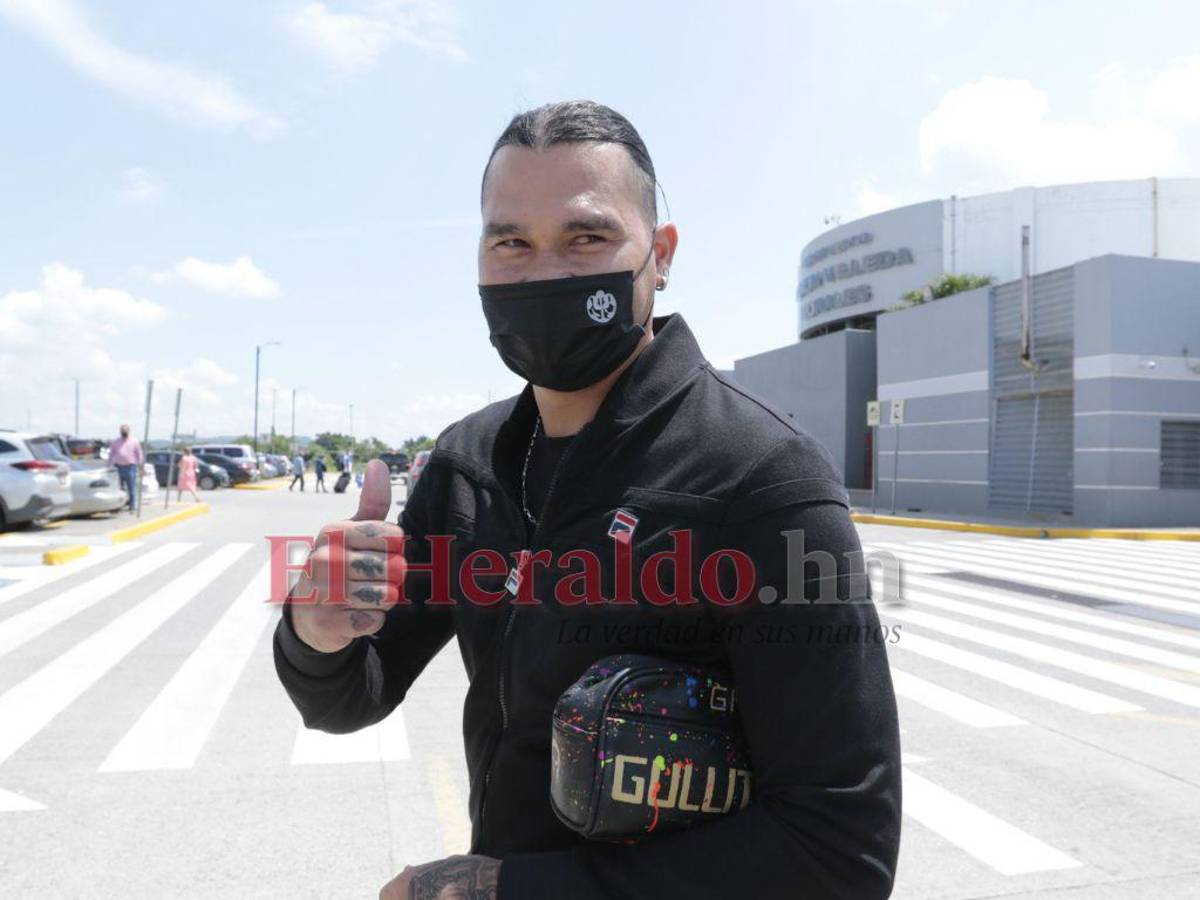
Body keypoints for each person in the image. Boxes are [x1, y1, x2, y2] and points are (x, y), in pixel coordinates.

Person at [274, 101, 901, 900]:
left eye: (586, 238)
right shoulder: (468, 467)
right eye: (511, 243)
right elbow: (351, 697)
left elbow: (839, 851)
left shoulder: (763, 480)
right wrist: (317, 630)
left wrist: (500, 890)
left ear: (660, 255)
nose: (544, 275)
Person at [108, 423, 143, 513]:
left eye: (125, 430)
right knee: (119, 488)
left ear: (128, 431)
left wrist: (140, 466)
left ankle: (132, 506)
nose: (124, 432)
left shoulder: (134, 441)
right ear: (120, 432)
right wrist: (108, 465)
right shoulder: (115, 442)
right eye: (122, 430)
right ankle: (118, 506)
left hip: (130, 467)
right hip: (118, 467)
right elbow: (111, 453)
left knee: (131, 487)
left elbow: (139, 454)